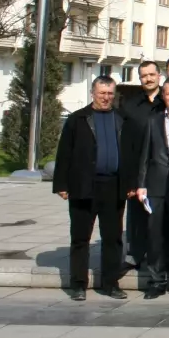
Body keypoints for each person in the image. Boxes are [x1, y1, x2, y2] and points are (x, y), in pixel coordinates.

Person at [53, 76, 141, 301]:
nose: (106, 97)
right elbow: (64, 154)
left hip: (114, 186)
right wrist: (61, 184)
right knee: (80, 237)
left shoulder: (123, 119)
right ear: (93, 93)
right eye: (102, 93)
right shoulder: (78, 119)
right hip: (84, 186)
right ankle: (78, 284)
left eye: (110, 93)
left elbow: (132, 154)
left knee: (112, 238)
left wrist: (132, 183)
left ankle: (110, 283)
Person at [134, 76, 169, 299]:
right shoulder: (154, 120)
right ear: (163, 95)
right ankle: (157, 280)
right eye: (168, 94)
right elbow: (145, 155)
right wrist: (141, 184)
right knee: (155, 236)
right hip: (156, 187)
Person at [122, 59, 164, 270]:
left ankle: (162, 258)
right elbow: (126, 144)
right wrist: (130, 180)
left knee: (161, 218)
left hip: (163, 168)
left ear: (159, 76)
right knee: (137, 217)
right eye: (144, 76)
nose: (148, 78)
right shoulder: (130, 106)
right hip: (139, 169)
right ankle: (136, 254)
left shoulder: (168, 101)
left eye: (151, 75)